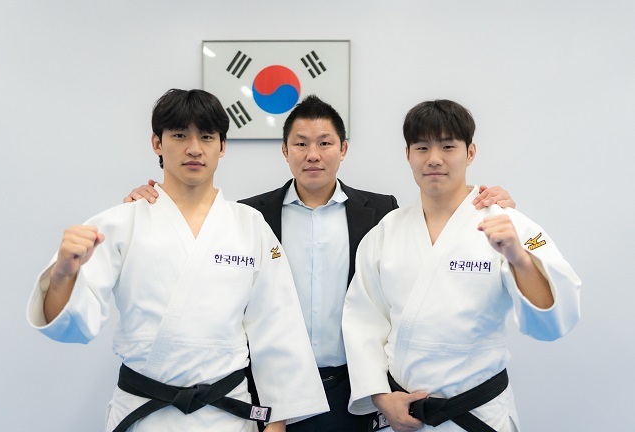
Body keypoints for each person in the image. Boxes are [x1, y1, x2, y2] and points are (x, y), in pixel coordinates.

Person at [124, 95, 515, 432]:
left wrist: (490, 203)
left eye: (325, 142)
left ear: (343, 149)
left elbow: (394, 290)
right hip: (266, 387)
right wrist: (152, 203)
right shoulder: (250, 216)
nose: (313, 154)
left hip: (352, 387)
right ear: (284, 150)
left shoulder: (381, 212)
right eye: (300, 143)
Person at [27, 89, 329, 432]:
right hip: (144, 415)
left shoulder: (250, 225)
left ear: (222, 146)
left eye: (207, 137)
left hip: (227, 417)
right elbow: (72, 326)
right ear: (157, 143)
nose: (194, 148)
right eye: (180, 135)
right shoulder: (120, 222)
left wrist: (277, 421)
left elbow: (278, 326)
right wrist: (63, 274)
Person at [341, 99, 581, 432]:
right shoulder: (386, 232)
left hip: (479, 414)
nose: (434, 159)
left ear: (470, 153)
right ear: (408, 154)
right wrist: (381, 397)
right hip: (404, 416)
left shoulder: (507, 225)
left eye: (448, 146)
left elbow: (553, 322)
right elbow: (363, 321)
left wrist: (518, 257)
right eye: (422, 147)